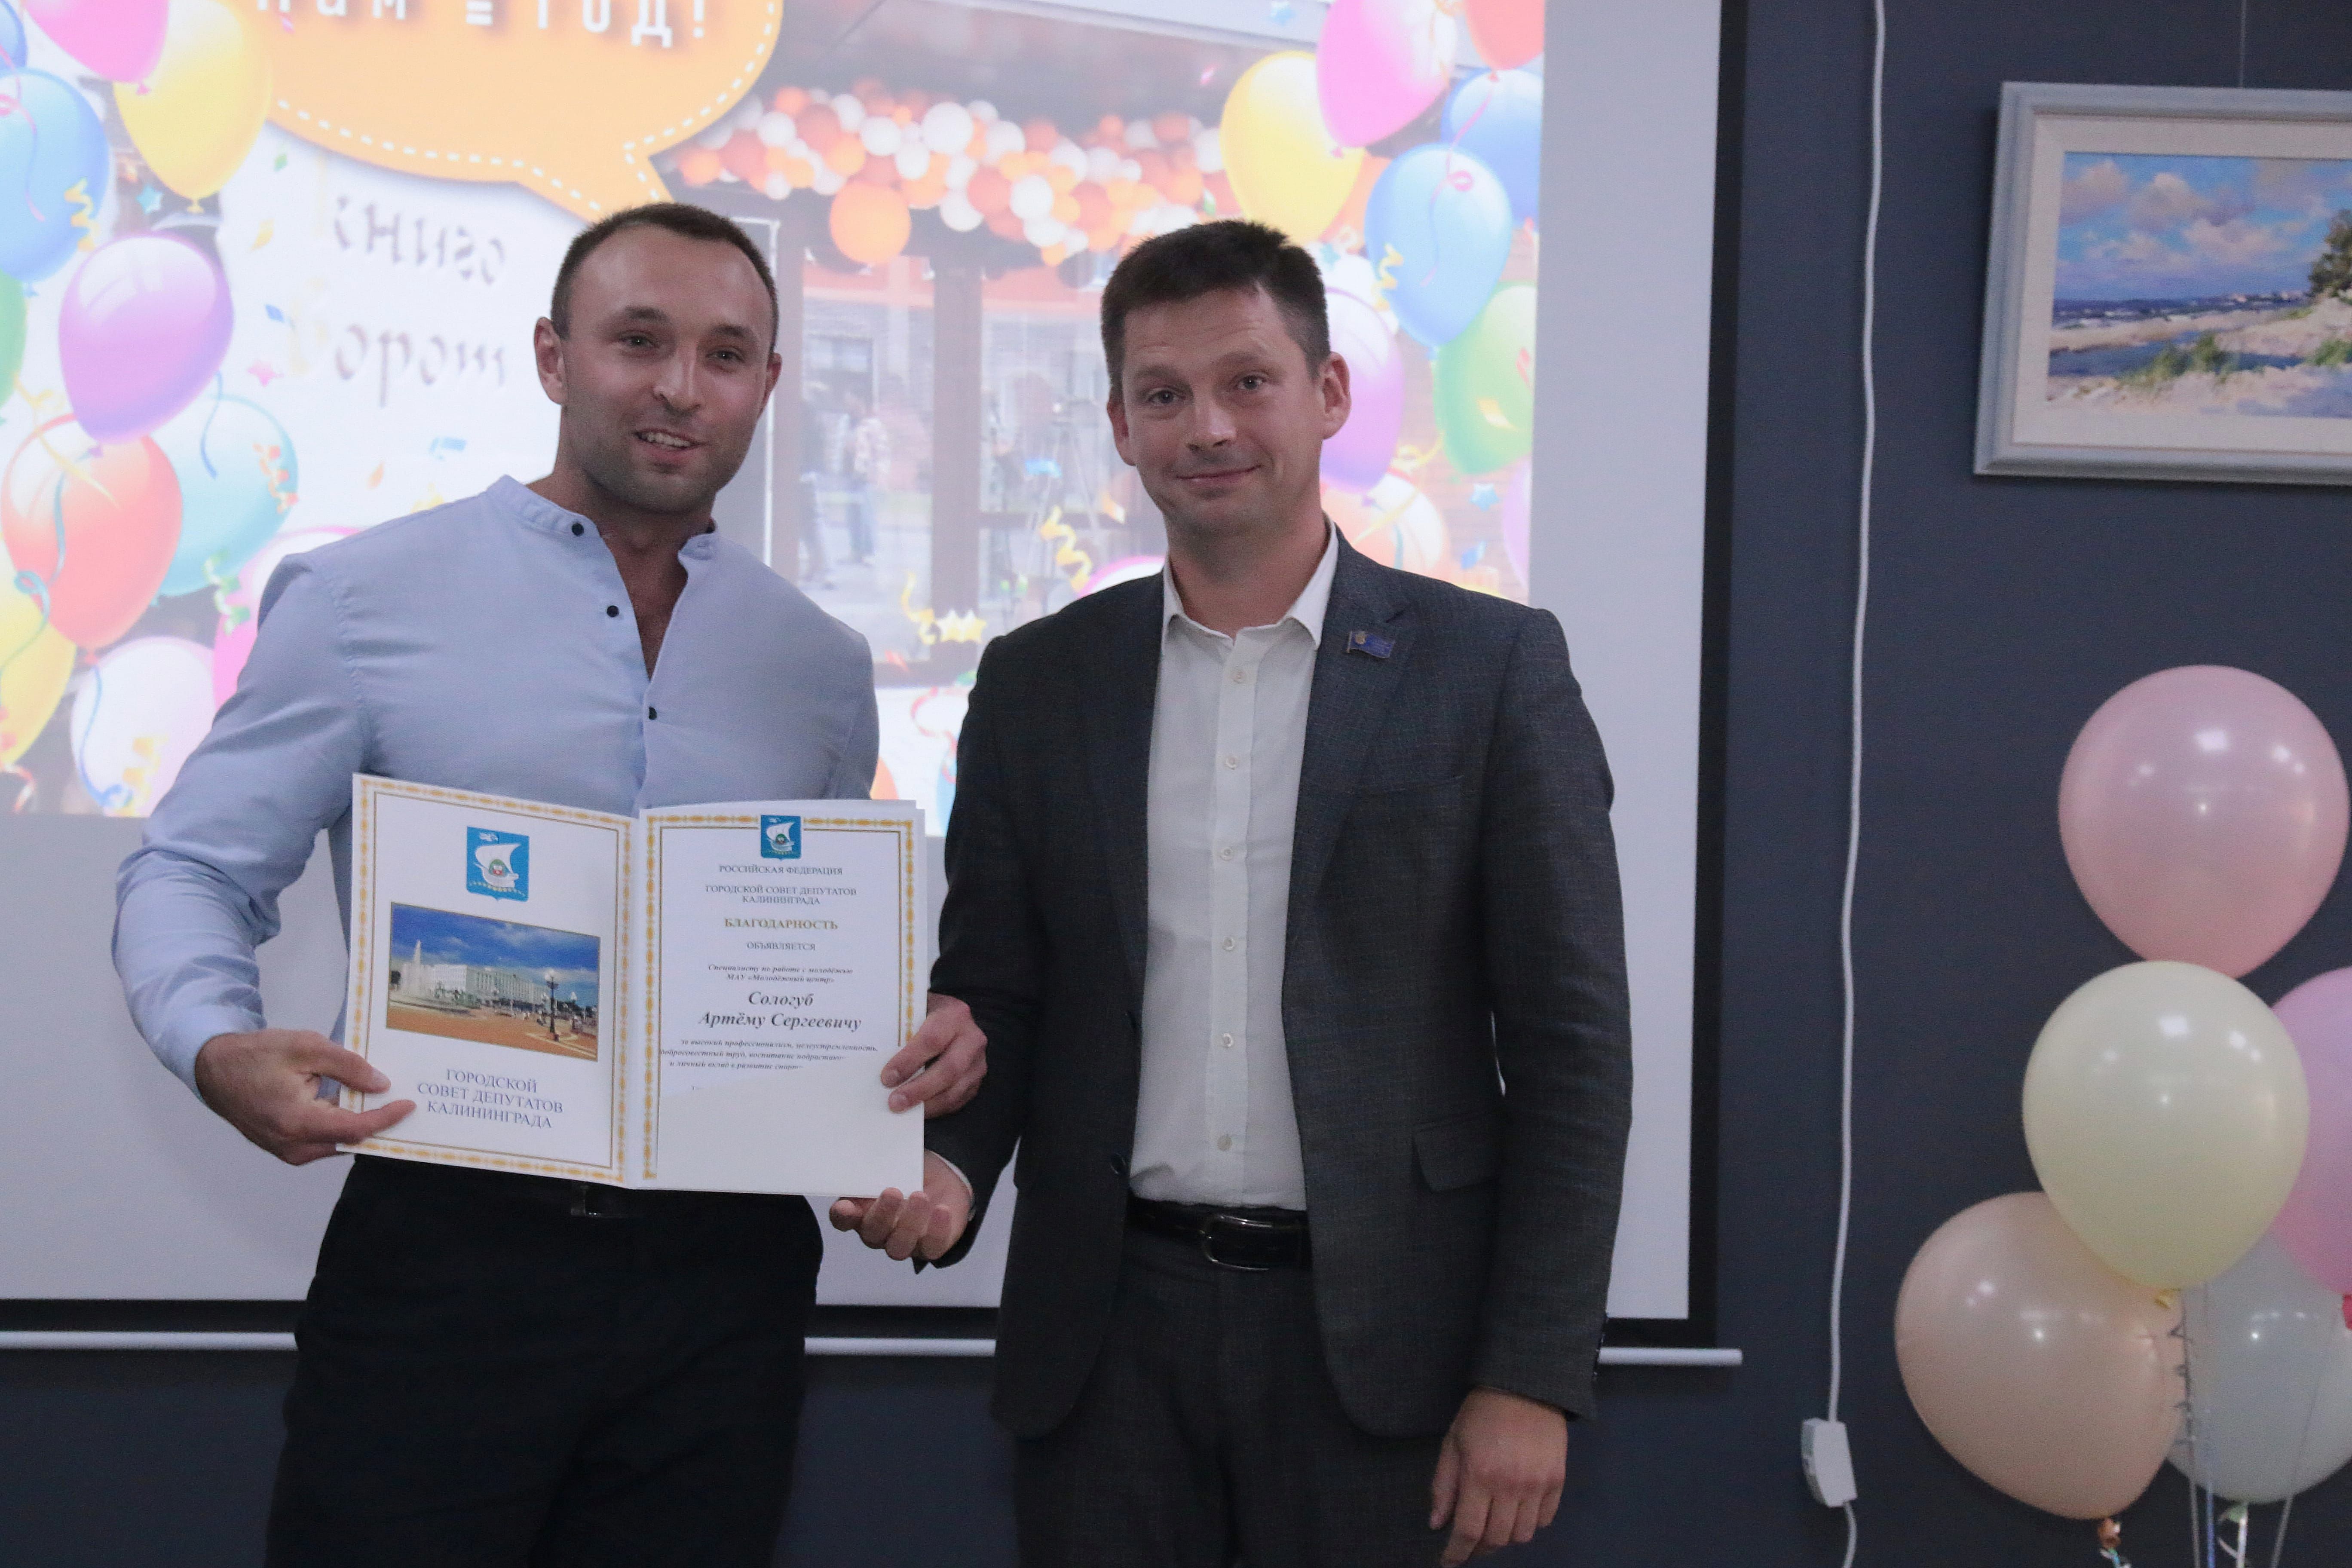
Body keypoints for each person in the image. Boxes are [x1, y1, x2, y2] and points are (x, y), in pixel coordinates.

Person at [113, 202, 987, 1568]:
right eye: (639, 341)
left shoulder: (817, 664)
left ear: (768, 382)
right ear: (552, 357)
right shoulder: (363, 600)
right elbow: (191, 866)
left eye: (724, 354)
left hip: (729, 1287)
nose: (680, 387)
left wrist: (901, 1060)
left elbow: (804, 955)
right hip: (448, 1263)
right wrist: (214, 1043)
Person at [833, 218, 1633, 1566]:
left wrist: (1532, 1373)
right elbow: (998, 996)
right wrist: (949, 1169)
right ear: (1120, 425)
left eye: (1247, 381)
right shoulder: (1039, 683)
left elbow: (1572, 1049)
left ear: (1330, 393)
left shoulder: (1491, 670)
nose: (1206, 426)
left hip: (1384, 1350)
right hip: (1105, 1343)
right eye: (1163, 394)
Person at [843, 387, 887, 564]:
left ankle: (869, 552)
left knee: (866, 515)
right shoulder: (847, 422)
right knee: (852, 514)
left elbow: (882, 452)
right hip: (851, 475)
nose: (847, 404)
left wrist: (878, 474)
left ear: (860, 401)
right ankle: (856, 550)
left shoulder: (873, 425)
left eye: (850, 399)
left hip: (867, 476)